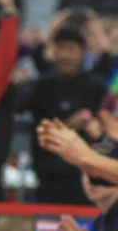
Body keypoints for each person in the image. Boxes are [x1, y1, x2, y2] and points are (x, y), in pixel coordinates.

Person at [19, 27, 106, 206]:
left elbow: (105, 126)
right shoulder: (41, 86)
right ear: (53, 51)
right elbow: (18, 107)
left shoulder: (96, 87)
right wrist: (66, 126)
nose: (65, 55)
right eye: (61, 48)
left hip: (86, 177)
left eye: (71, 49)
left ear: (82, 53)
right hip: (48, 174)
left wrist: (95, 126)